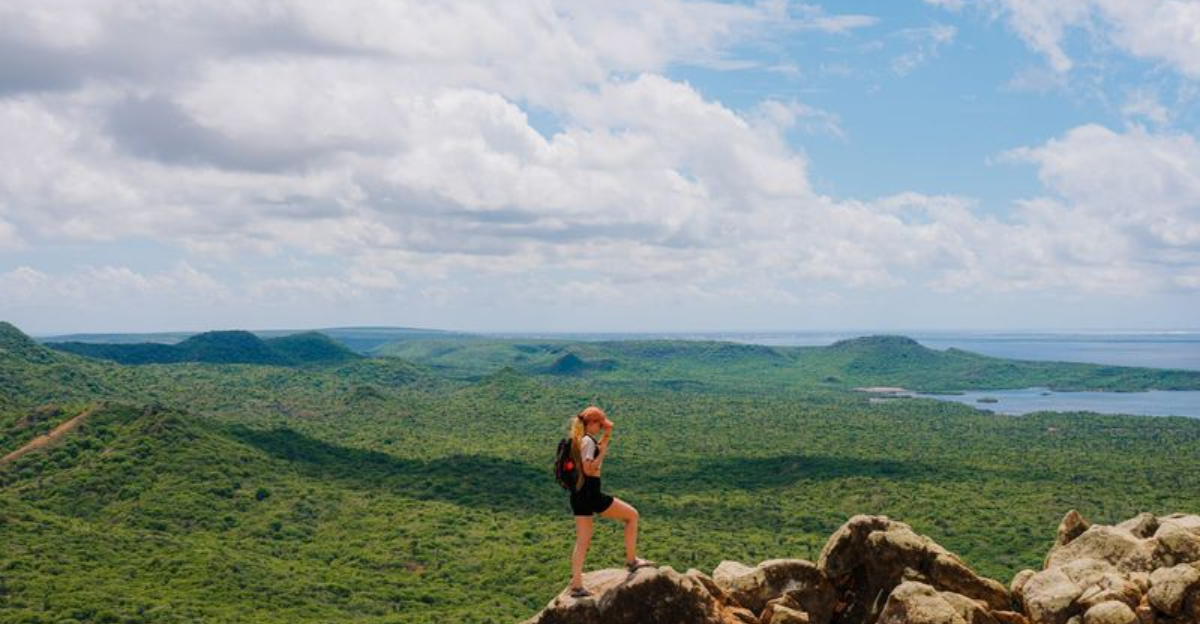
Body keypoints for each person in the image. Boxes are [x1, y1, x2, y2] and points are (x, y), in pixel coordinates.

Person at [566, 406, 654, 598]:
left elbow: (591, 453)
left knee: (582, 541)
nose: (601, 427)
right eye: (600, 423)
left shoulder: (579, 439)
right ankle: (631, 560)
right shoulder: (588, 442)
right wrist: (603, 454)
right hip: (592, 495)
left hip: (578, 495)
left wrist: (607, 434)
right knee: (632, 515)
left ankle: (577, 585)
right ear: (591, 423)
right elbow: (589, 469)